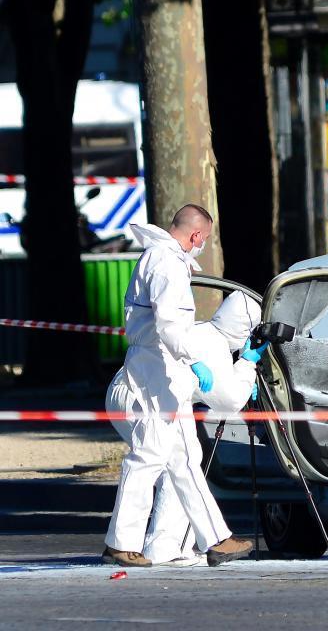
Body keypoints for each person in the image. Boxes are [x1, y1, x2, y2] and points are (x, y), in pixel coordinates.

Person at [103, 204, 253, 568]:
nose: (203, 246)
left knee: (186, 459)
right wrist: (194, 358)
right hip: (157, 371)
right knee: (149, 456)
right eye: (205, 239)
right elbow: (170, 326)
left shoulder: (160, 259)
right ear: (197, 235)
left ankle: (217, 539)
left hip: (163, 369)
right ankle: (120, 543)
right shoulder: (167, 264)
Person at [107, 290, 268, 566]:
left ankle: (162, 544)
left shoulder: (202, 331)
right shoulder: (215, 346)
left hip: (131, 391)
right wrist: (248, 363)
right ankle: (157, 546)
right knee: (171, 464)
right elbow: (229, 401)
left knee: (178, 464)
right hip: (147, 396)